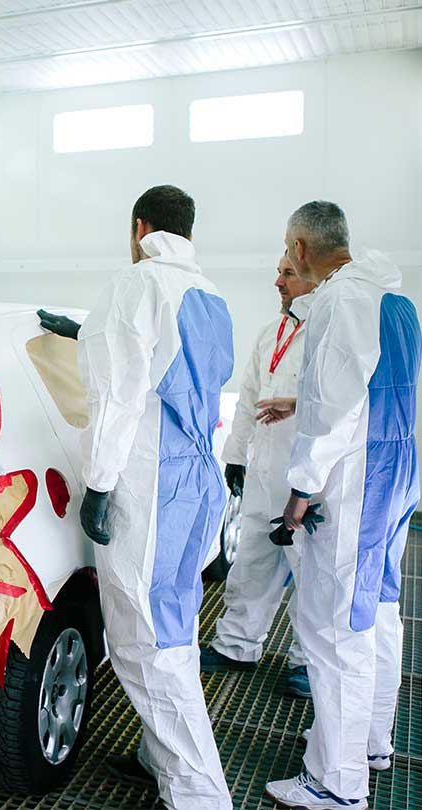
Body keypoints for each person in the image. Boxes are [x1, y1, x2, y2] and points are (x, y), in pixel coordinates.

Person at [43, 185, 235, 810]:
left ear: (139, 226)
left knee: (148, 645)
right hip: (193, 482)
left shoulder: (136, 285)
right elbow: (164, 369)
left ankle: (199, 796)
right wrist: (88, 334)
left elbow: (117, 400)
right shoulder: (208, 294)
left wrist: (98, 486)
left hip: (148, 485)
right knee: (175, 625)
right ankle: (159, 754)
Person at [265, 202, 419, 810]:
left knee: (334, 631)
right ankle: (370, 743)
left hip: (356, 485)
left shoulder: (338, 301)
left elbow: (334, 407)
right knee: (378, 612)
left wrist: (300, 493)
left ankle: (335, 782)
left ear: (301, 248)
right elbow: (372, 390)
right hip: (398, 472)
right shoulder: (395, 301)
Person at [199, 253, 317, 697]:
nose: (278, 282)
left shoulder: (324, 336)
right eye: (279, 273)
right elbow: (250, 395)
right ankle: (237, 644)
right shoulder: (272, 334)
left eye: (287, 274)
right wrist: (235, 456)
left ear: (310, 279)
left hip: (307, 478)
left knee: (308, 572)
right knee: (251, 561)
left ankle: (307, 663)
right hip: (266, 470)